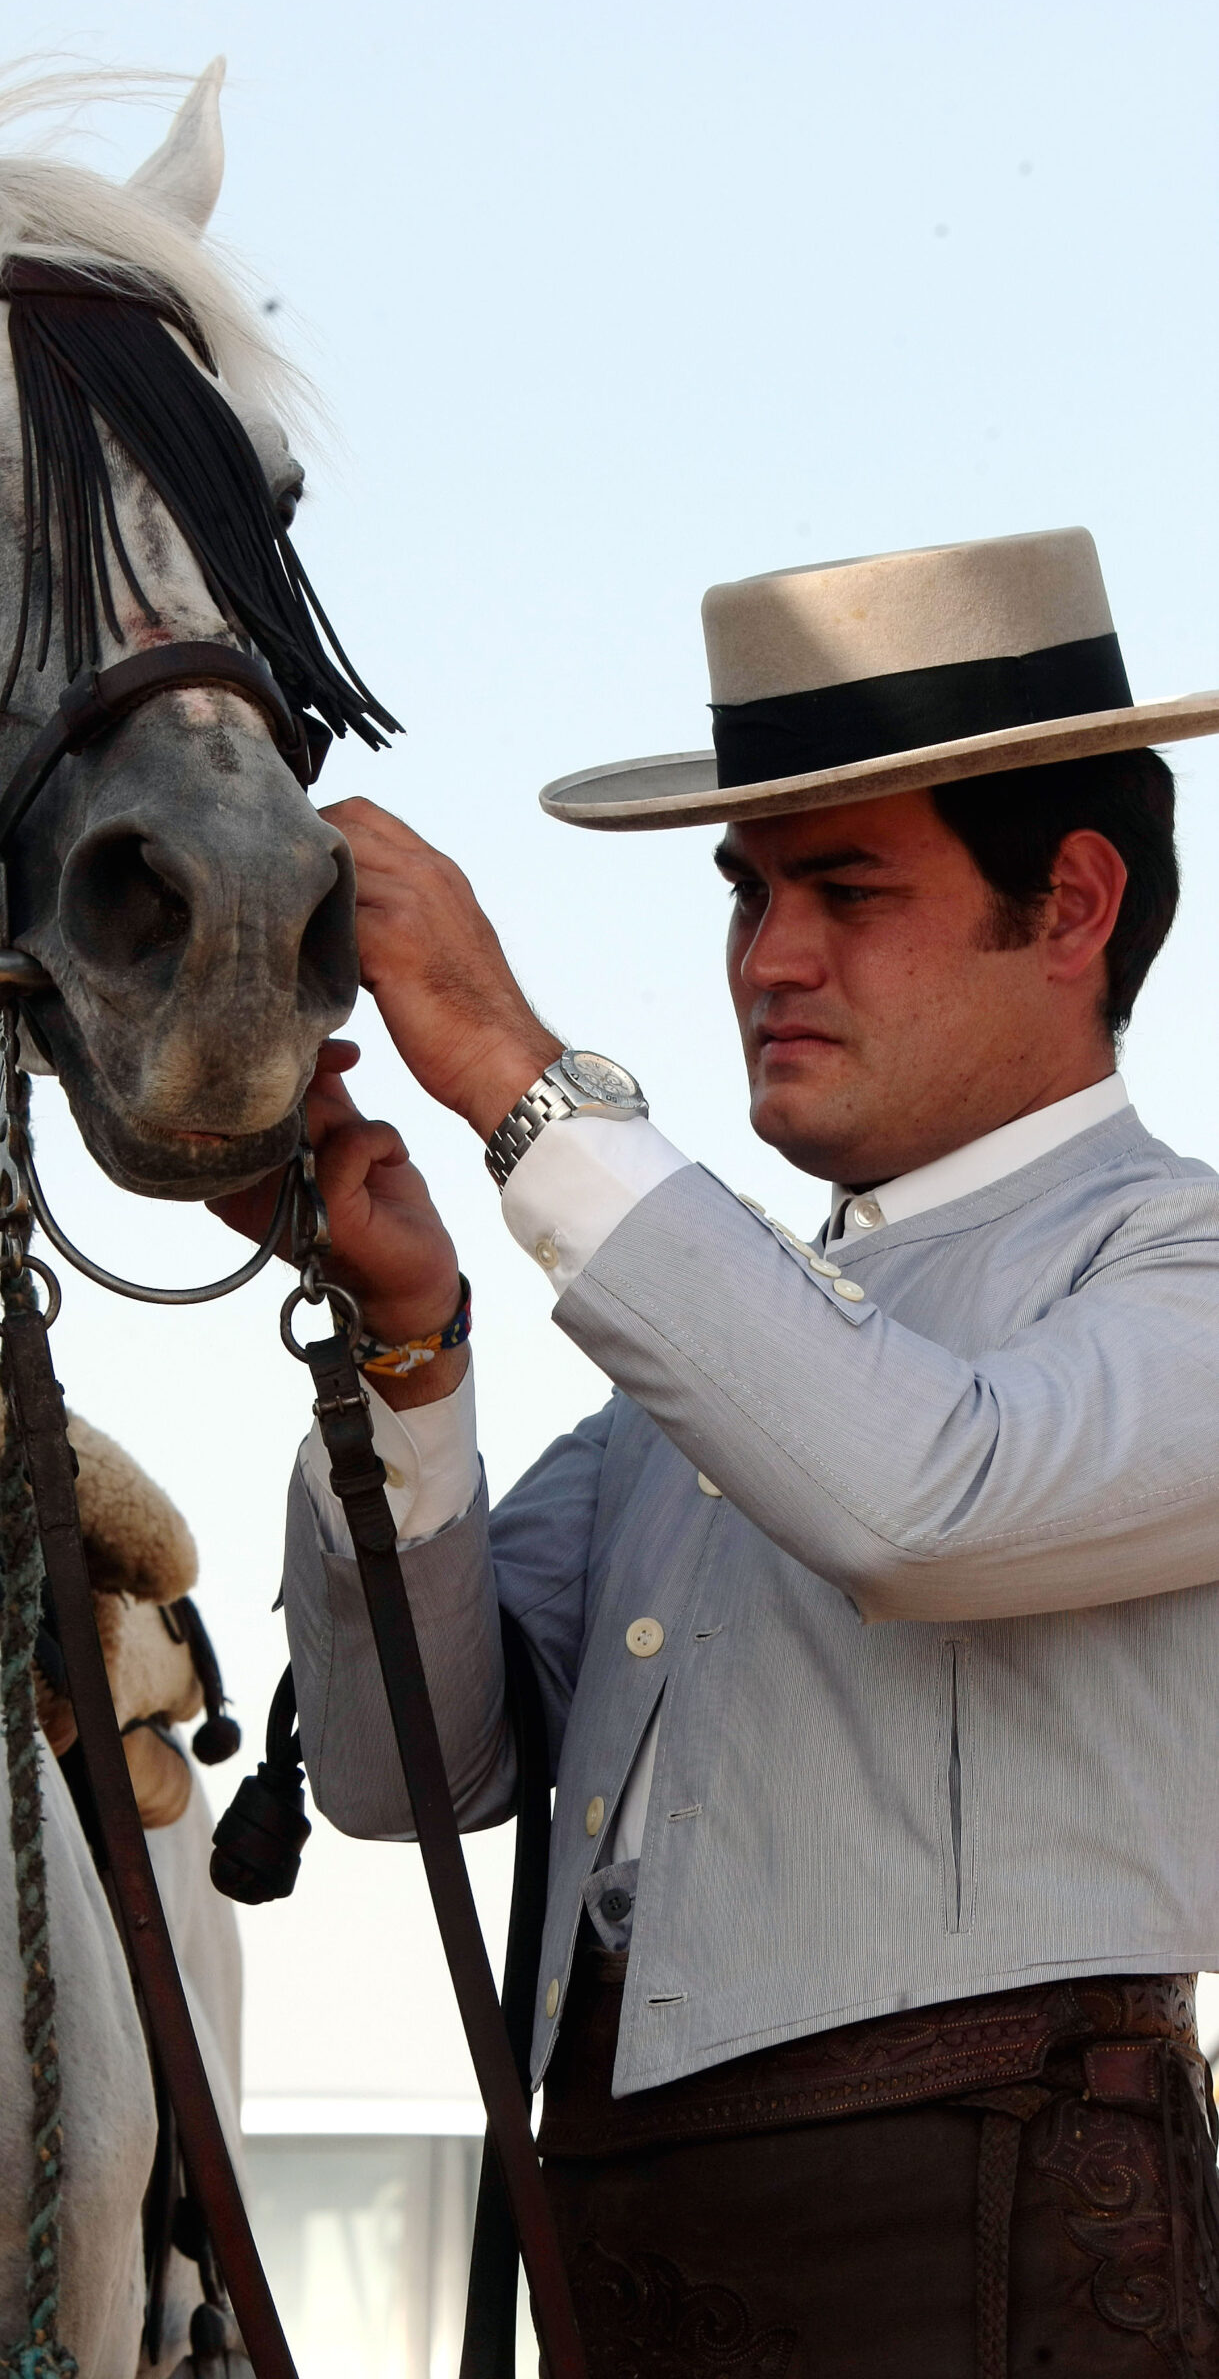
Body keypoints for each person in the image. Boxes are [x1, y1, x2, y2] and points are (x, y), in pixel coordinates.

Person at [217, 528, 1219, 2378]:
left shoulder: (1185, 1265)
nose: (770, 957)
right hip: (623, 2253)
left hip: (992, 2260)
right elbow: (390, 1778)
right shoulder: (712, 1353)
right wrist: (408, 1349)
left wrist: (523, 1077)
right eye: (746, 896)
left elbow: (922, 1500)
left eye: (845, 891)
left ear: (1073, 904)